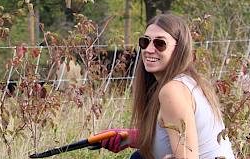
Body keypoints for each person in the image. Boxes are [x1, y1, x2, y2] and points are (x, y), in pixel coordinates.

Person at [98, 13, 235, 159]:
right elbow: (172, 136)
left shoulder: (172, 91)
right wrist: (130, 137)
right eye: (145, 42)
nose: (149, 49)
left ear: (179, 49)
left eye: (160, 43)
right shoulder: (188, 82)